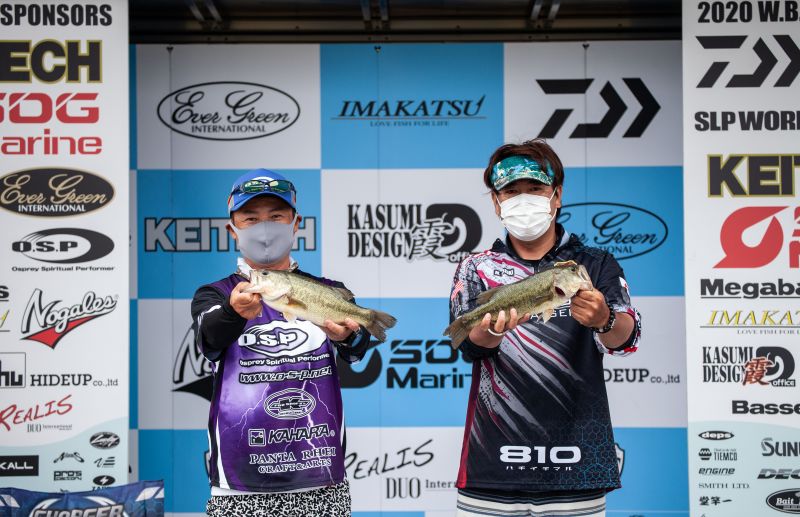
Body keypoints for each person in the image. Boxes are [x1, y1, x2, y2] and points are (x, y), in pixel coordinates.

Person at [449, 139, 642, 517]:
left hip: (578, 464)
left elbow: (627, 338)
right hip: (492, 463)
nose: (524, 199)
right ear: (496, 202)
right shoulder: (476, 266)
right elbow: (470, 347)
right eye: (511, 191)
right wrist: (492, 330)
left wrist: (604, 319)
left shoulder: (594, 263)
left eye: (535, 188)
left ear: (556, 196)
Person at [191, 169, 371, 517]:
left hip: (320, 474)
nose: (264, 227)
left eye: (276, 216)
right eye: (251, 218)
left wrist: (348, 336)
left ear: (295, 224)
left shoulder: (327, 290)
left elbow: (358, 348)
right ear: (233, 229)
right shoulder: (215, 294)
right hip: (239, 480)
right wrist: (233, 312)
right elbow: (209, 338)